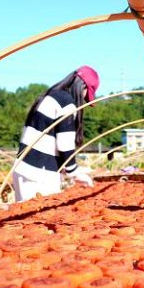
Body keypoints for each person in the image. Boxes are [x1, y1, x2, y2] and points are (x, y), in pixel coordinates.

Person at [12, 66, 100, 202]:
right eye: (85, 96)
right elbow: (64, 144)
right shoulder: (66, 103)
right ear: (81, 87)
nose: (83, 100)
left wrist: (65, 168)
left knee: (23, 216)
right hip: (39, 173)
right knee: (40, 219)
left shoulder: (52, 96)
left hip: (23, 168)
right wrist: (75, 173)